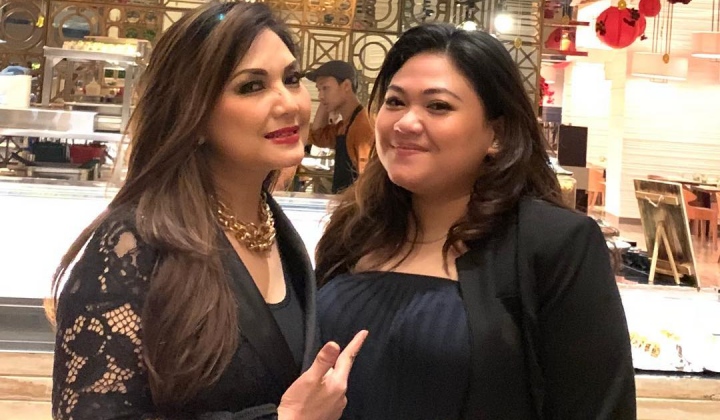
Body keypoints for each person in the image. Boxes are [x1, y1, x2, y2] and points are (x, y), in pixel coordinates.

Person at [48, 3, 366, 419]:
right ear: (193, 112)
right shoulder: (135, 245)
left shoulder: (276, 233)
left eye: (291, 79)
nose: (289, 103)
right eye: (252, 86)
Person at [315, 23, 636, 419]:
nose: (405, 122)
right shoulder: (354, 228)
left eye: (438, 106)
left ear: (496, 134)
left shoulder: (554, 244)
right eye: (395, 102)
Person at [305, 60, 374, 193]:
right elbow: (318, 136)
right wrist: (326, 102)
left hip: (356, 202)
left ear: (346, 85)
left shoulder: (363, 125)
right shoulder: (345, 125)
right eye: (319, 90)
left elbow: (368, 180)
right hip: (345, 201)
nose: (320, 96)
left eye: (325, 88)